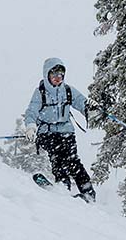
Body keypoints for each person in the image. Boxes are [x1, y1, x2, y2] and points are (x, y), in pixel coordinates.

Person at [24, 57, 100, 203]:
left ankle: (88, 192)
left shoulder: (68, 90)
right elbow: (31, 112)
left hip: (66, 131)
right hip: (48, 132)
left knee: (73, 161)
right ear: (47, 76)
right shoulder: (40, 92)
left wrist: (91, 108)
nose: (58, 79)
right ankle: (63, 187)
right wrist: (31, 127)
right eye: (54, 75)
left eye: (60, 75)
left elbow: (81, 103)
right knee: (58, 159)